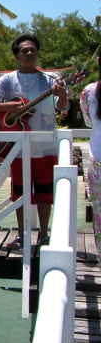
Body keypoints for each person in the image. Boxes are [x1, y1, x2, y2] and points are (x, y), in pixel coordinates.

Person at [0, 35, 68, 247]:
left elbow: (63, 107)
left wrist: (62, 94)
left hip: (46, 145)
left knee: (45, 192)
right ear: (17, 56)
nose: (29, 53)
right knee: (20, 192)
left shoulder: (51, 78)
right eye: (24, 50)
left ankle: (44, 234)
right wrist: (11, 106)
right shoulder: (7, 80)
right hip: (19, 147)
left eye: (33, 50)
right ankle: (22, 235)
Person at [80, 61, 101, 258]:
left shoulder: (88, 92)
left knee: (100, 220)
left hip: (97, 164)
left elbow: (88, 121)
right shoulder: (89, 92)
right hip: (97, 165)